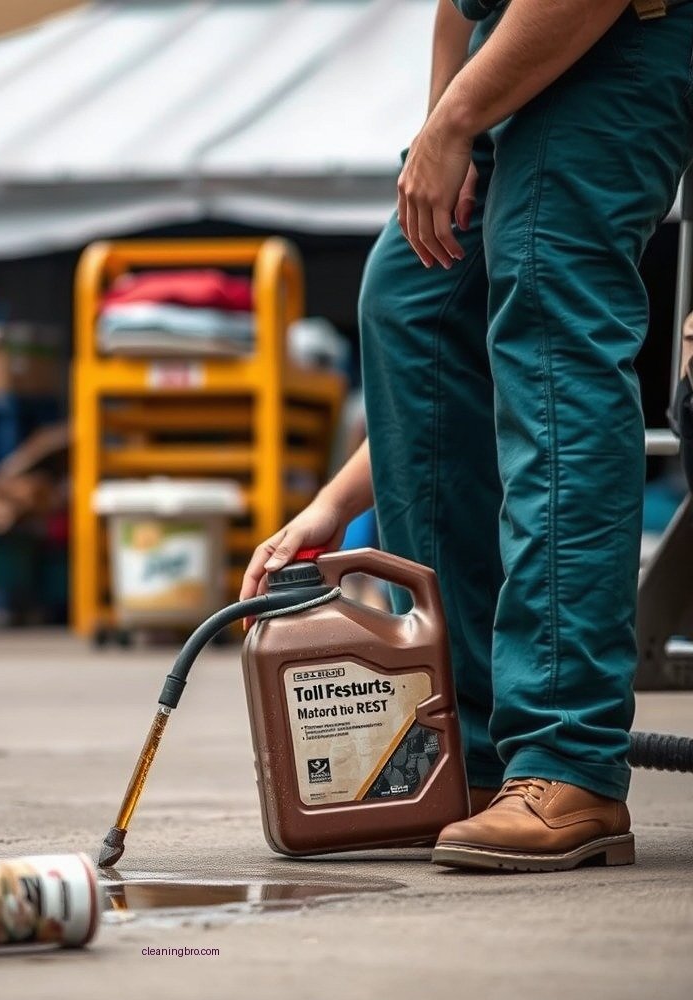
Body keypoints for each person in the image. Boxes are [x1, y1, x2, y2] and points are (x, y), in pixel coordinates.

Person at [241, 0, 693, 872]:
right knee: (411, 302)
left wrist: (455, 121)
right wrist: (438, 135)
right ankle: (474, 754)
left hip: (617, 29)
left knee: (548, 302)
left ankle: (566, 758)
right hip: (510, 40)